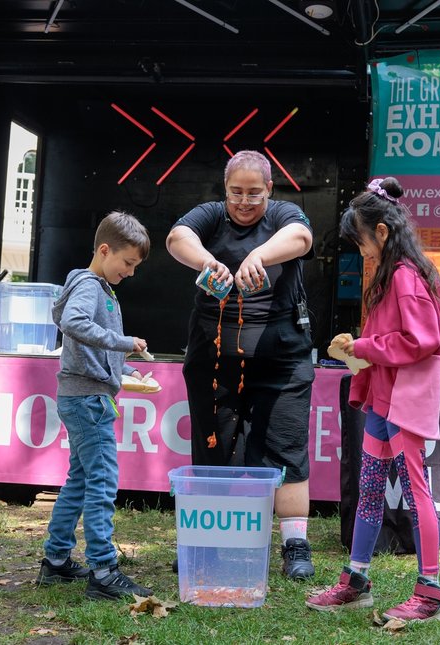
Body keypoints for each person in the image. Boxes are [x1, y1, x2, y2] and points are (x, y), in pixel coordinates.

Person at [305, 177, 440, 622]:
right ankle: (357, 579)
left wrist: (366, 348)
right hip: (382, 400)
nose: (361, 250)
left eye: (362, 241)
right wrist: (363, 343)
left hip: (404, 400)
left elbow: (422, 339)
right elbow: (429, 311)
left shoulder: (405, 275)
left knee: (415, 493)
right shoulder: (399, 272)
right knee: (370, 490)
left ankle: (431, 594)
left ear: (382, 233)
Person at [165, 150, 316, 579]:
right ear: (224, 190)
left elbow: (301, 240)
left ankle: (295, 546)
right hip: (214, 358)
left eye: (254, 193)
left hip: (281, 357)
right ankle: (205, 543)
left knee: (286, 448)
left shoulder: (285, 215)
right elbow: (178, 237)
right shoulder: (211, 216)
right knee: (212, 445)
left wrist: (260, 256)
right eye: (236, 193)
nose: (244, 201)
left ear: (269, 189)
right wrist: (206, 261)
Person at [36, 210, 154, 601]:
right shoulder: (89, 285)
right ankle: (103, 570)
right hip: (88, 401)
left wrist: (123, 368)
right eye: (128, 263)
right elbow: (73, 322)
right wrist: (123, 342)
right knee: (102, 483)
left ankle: (55, 561)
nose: (131, 272)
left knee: (81, 480)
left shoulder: (94, 285)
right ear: (105, 250)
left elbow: (89, 344)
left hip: (83, 395)